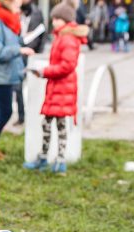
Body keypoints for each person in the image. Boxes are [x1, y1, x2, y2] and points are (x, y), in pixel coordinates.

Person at [23, 2, 86, 174]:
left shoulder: (67, 38)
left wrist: (45, 71)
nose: (54, 22)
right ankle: (47, 158)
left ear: (65, 19)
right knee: (50, 123)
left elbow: (67, 66)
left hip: (62, 88)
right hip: (57, 88)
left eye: (57, 18)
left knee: (58, 124)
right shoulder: (62, 36)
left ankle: (58, 160)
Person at [0, 0, 35, 163]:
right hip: (0, 74)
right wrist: (19, 50)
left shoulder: (8, 19)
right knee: (5, 111)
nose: (21, 4)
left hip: (6, 73)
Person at [15, 0, 44, 125]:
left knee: (33, 84)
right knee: (18, 87)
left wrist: (33, 51)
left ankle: (33, 114)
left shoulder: (36, 13)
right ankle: (21, 116)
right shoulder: (16, 12)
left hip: (32, 53)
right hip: (19, 52)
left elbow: (39, 36)